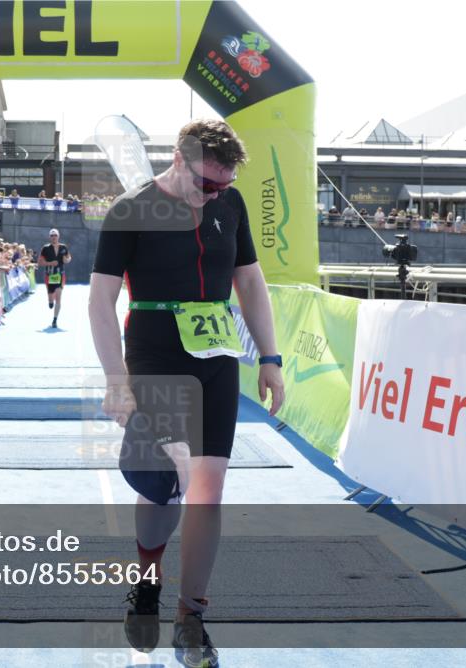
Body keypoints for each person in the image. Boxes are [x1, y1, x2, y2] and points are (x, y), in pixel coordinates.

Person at [89, 119, 284, 668]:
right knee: (167, 478)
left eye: (223, 185)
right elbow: (100, 301)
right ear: (178, 159)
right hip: (155, 353)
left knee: (208, 489)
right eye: (207, 183)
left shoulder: (232, 204)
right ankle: (147, 580)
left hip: (217, 358)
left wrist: (269, 358)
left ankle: (190, 617)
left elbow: (249, 281)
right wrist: (115, 378)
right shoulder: (130, 209)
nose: (215, 194)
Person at [38, 227, 71, 328]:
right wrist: (50, 263)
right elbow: (40, 262)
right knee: (51, 298)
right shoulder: (45, 248)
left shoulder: (63, 247)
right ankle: (50, 301)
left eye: (55, 235)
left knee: (59, 297)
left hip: (60, 275)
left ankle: (55, 320)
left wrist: (67, 260)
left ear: (58, 236)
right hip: (50, 275)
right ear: (49, 237)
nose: (53, 237)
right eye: (52, 236)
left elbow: (69, 257)